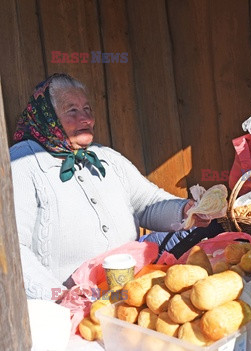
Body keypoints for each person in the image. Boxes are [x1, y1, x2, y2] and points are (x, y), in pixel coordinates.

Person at [10, 73, 222, 301]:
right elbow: (14, 247)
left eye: (88, 110)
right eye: (72, 111)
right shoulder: (22, 163)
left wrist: (185, 210)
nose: (86, 119)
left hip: (132, 280)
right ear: (46, 116)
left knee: (211, 229)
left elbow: (147, 204)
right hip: (74, 297)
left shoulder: (106, 157)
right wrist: (59, 296)